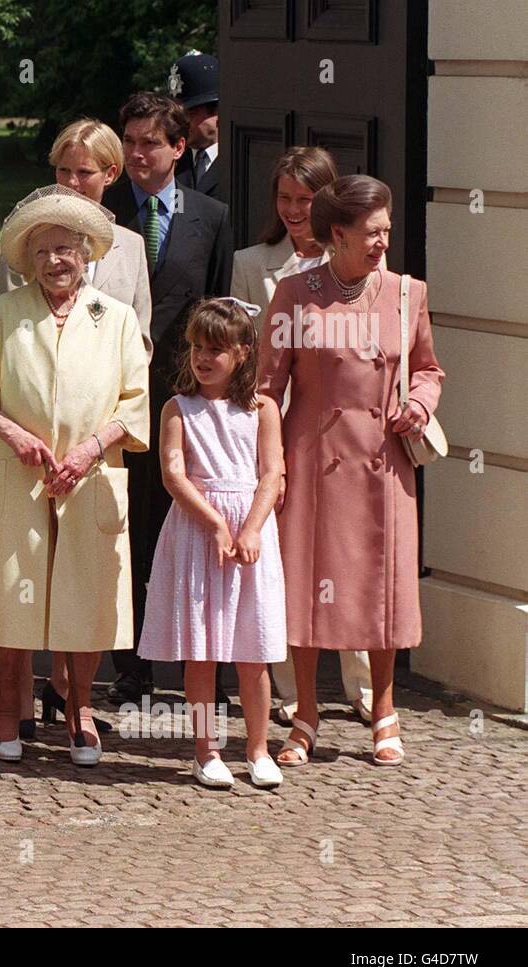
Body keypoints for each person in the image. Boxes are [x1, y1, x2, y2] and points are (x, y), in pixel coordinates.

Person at [0, 185, 150, 766]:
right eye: (42, 252)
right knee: (8, 591)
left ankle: (80, 705)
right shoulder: (2, 313)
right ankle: (7, 700)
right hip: (17, 475)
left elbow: (135, 400)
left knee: (87, 596)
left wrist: (92, 449)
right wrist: (13, 434)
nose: (55, 262)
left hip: (89, 476)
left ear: (87, 253)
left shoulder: (114, 318)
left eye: (65, 250)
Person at [258, 175, 444, 768]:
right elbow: (267, 388)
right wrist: (271, 465)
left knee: (380, 587)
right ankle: (306, 714)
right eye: (371, 233)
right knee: (309, 588)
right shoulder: (294, 293)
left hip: (383, 462)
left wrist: (418, 402)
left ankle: (384, 709)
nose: (382, 243)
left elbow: (428, 370)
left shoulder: (405, 294)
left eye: (387, 231)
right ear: (337, 233)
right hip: (313, 460)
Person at [0, 117, 151, 734]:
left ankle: (71, 692)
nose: (69, 180)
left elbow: (136, 333)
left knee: (86, 571)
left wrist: (97, 433)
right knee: (29, 570)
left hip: (98, 439)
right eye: (61, 170)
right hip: (31, 448)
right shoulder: (27, 233)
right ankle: (24, 696)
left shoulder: (131, 248)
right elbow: (13, 328)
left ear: (110, 175)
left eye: (82, 171)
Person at [232, 146, 374, 724]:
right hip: (276, 430)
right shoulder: (250, 262)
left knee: (353, 555)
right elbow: (243, 354)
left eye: (305, 199)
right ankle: (292, 694)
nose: (293, 210)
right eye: (284, 198)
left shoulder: (361, 263)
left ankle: (363, 687)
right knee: (286, 561)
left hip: (345, 433)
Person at [103, 91, 233, 707]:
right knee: (126, 532)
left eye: (149, 142)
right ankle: (129, 668)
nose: (136, 154)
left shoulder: (212, 215)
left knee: (184, 530)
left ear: (179, 148)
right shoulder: (102, 214)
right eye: (128, 141)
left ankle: (197, 665)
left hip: (185, 402)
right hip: (117, 402)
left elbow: (218, 311)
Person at [138, 299, 286, 789]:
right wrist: (216, 526)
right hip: (199, 535)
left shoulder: (263, 409)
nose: (203, 358)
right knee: (201, 652)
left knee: (253, 650)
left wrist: (249, 529)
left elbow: (271, 474)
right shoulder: (179, 408)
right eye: (198, 347)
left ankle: (259, 748)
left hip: (250, 539)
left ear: (242, 353)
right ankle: (206, 750)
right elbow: (174, 474)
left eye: (216, 349)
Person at [170, 51, 222, 202]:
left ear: (217, 111)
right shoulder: (172, 161)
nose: (180, 122)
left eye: (189, 113)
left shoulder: (240, 160)